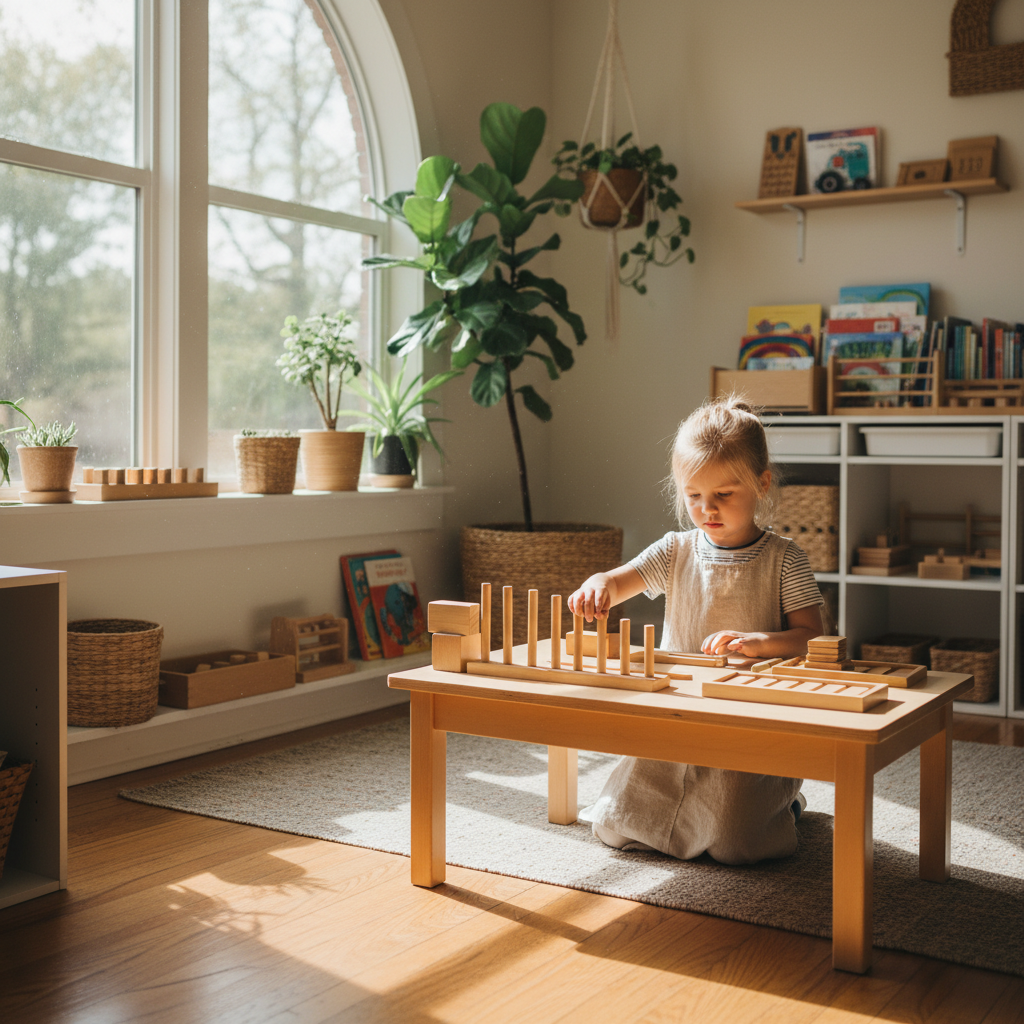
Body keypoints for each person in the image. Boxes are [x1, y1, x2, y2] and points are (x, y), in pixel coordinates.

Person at [568, 396, 824, 864]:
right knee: (614, 824)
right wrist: (599, 583)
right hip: (675, 719)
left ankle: (784, 800)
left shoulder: (784, 558)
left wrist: (762, 642)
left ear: (762, 484)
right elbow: (621, 579)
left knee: (739, 847)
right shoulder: (675, 550)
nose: (707, 509)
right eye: (693, 496)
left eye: (724, 495)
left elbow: (812, 637)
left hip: (745, 724)